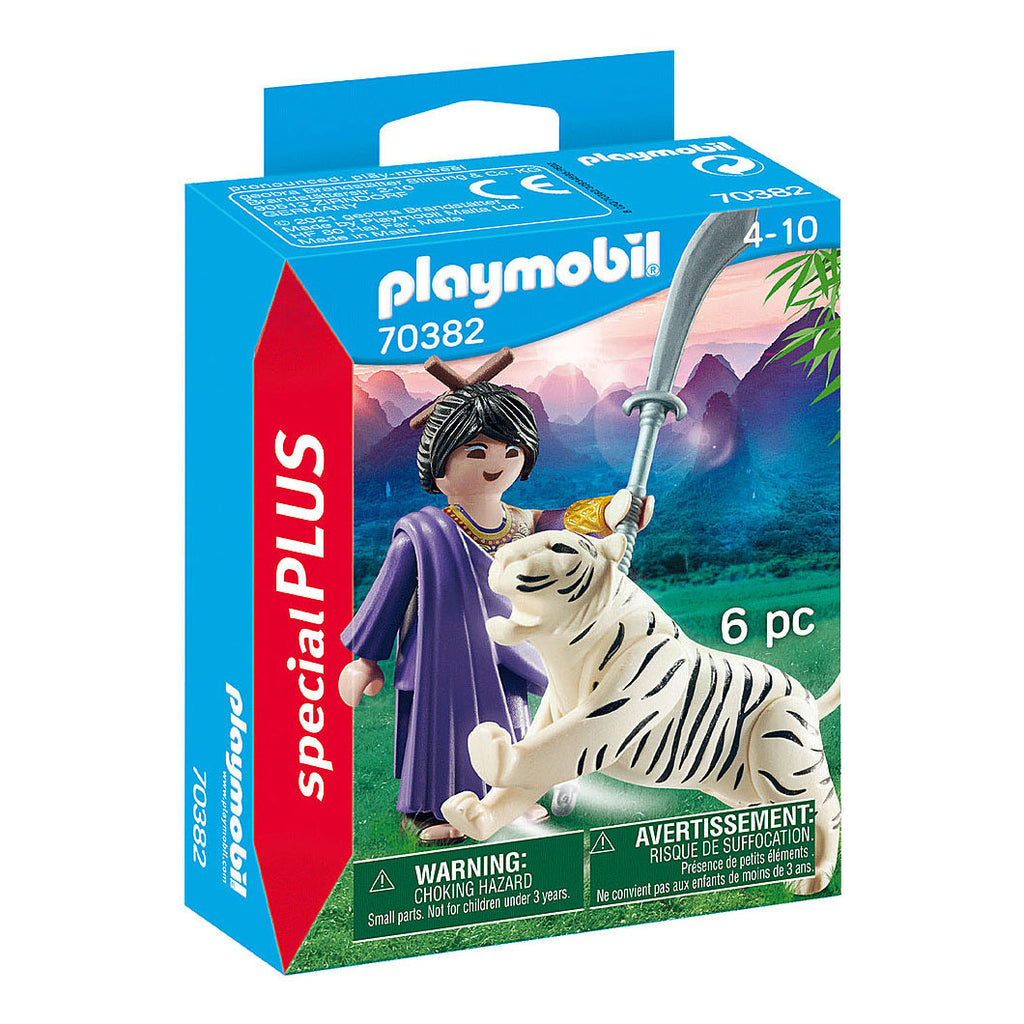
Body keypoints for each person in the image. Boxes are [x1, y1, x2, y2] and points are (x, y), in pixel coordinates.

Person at [340, 377, 652, 844]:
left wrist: (611, 513)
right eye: (476, 451)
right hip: (440, 662)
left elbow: (562, 523)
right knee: (441, 734)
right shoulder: (422, 534)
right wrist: (365, 658)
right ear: (440, 466)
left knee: (512, 724)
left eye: (510, 451)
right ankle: (432, 810)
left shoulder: (522, 523)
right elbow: (389, 594)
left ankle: (511, 799)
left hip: (507, 651)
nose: (496, 463)